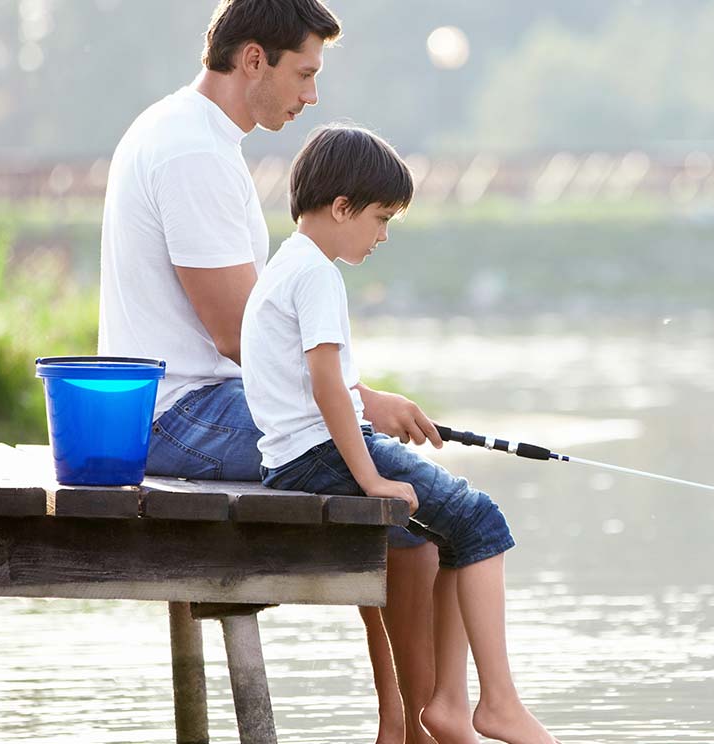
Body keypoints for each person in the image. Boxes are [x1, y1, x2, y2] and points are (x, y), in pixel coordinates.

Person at [96, 2, 445, 741]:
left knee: (374, 475)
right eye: (304, 73)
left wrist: (352, 403)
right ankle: (412, 726)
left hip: (194, 402)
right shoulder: (191, 151)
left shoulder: (187, 132)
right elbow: (237, 333)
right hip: (180, 414)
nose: (311, 96)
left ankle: (401, 721)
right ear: (253, 59)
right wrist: (356, 401)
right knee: (407, 502)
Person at [241, 124, 557, 744]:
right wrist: (371, 476)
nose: (383, 235)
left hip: (292, 457)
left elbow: (317, 383)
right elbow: (327, 384)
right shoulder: (318, 276)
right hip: (321, 456)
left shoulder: (286, 265)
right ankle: (495, 703)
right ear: (340, 208)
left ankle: (448, 702)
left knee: (454, 528)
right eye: (381, 218)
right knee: (483, 520)